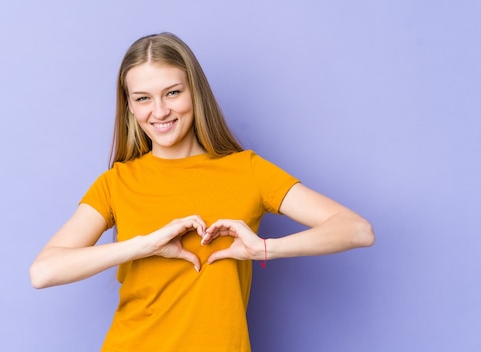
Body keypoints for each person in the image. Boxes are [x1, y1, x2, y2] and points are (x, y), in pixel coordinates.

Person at [29, 32, 374, 352]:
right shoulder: (118, 182)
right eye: (143, 98)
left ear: (195, 92)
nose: (160, 111)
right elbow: (43, 272)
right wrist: (144, 245)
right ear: (130, 107)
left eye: (173, 93)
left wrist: (266, 249)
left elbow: (357, 230)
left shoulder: (246, 170)